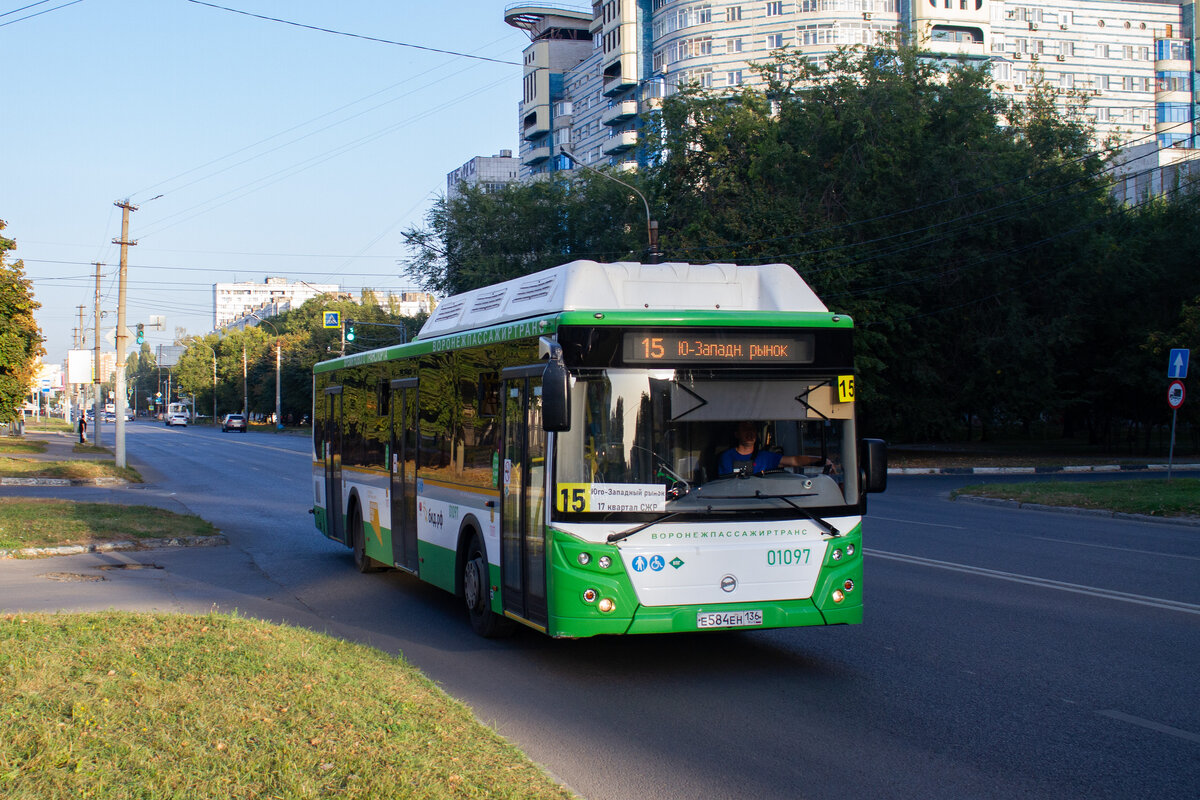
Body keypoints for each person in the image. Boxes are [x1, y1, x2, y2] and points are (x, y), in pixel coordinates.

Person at [718, 421, 827, 476]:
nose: (750, 433)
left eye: (752, 430)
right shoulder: (727, 457)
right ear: (737, 434)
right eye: (745, 430)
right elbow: (727, 483)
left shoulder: (765, 457)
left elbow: (795, 460)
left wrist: (821, 460)